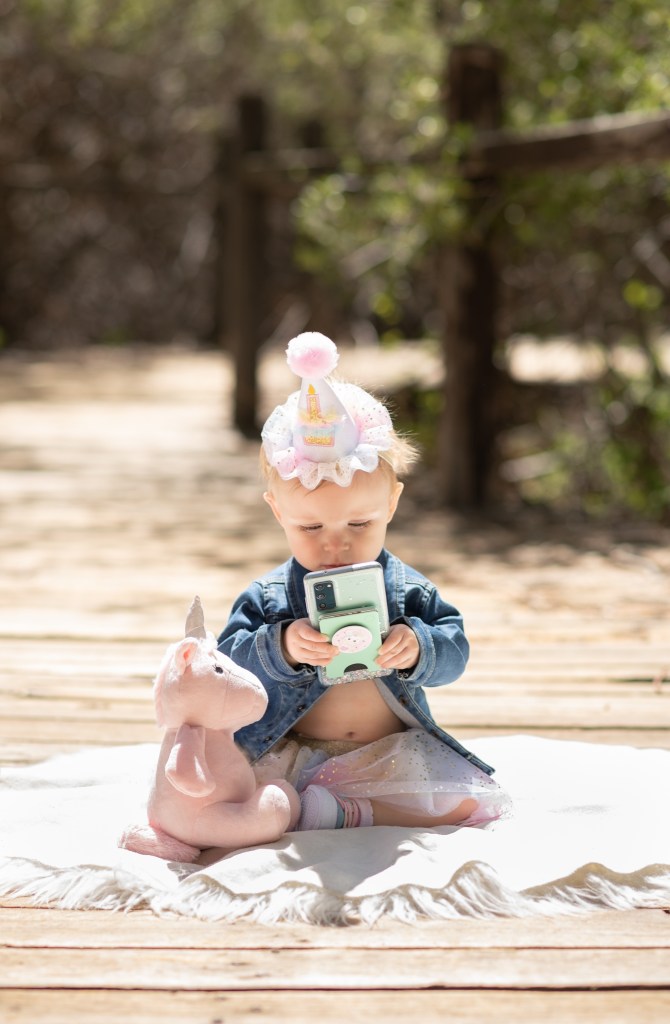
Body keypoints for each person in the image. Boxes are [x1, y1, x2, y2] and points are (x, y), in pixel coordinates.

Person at [218, 332, 511, 832]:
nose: (337, 545)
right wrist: (281, 647)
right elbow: (226, 670)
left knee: (467, 802)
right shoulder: (269, 597)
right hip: (293, 749)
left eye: (359, 525)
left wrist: (418, 646)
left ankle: (351, 811)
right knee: (243, 796)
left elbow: (455, 652)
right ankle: (318, 809)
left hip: (386, 752)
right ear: (279, 513)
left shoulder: (408, 590)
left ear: (392, 505)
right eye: (310, 527)